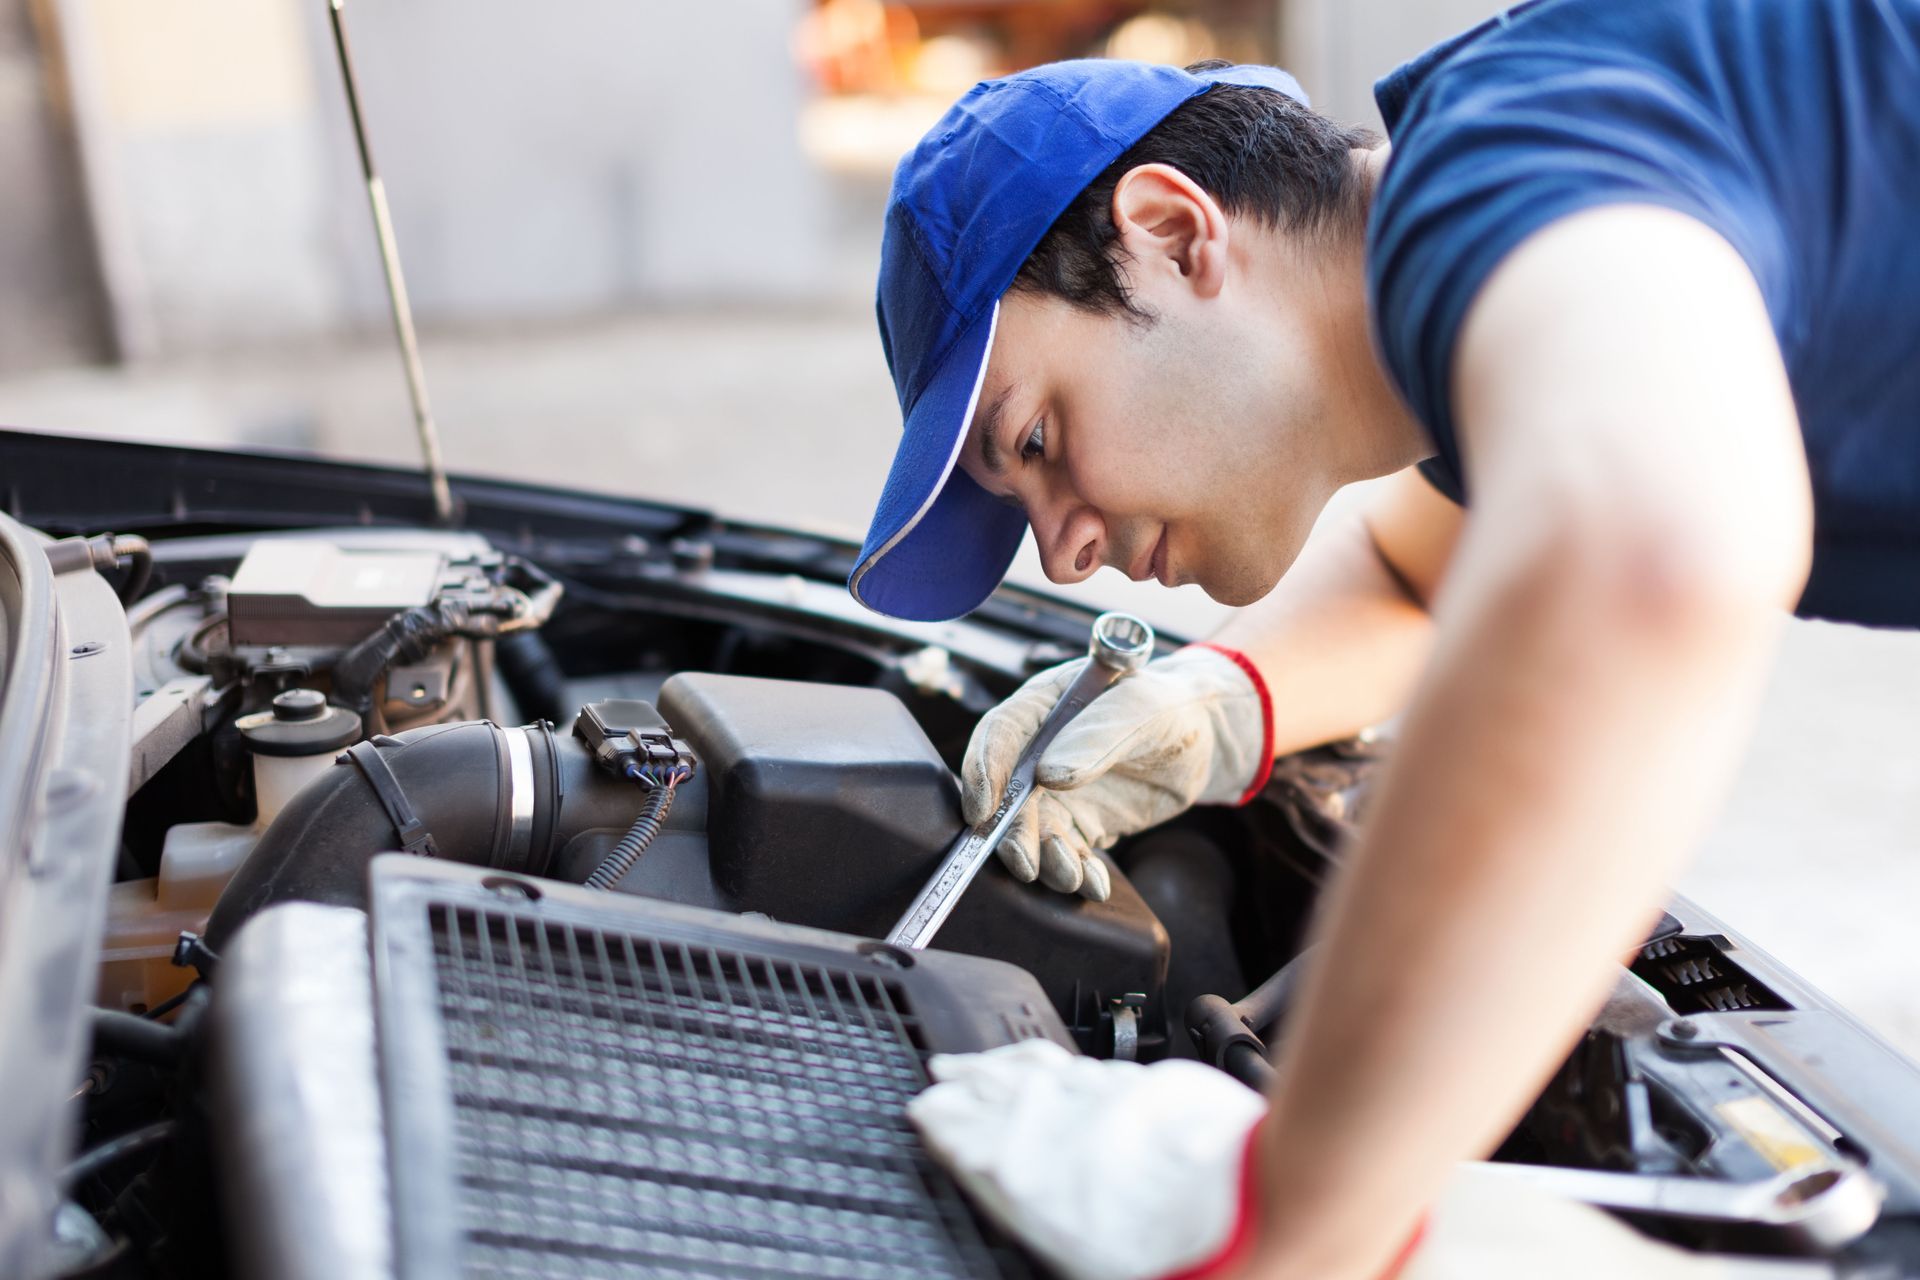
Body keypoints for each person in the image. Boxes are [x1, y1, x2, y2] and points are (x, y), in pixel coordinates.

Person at [845, 1, 1920, 1277]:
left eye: (1034, 442)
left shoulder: (1510, 154)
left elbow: (1648, 555)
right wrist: (1210, 707)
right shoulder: (1498, 296)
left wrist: (1294, 1211)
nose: (1064, 551)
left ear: (1177, 234)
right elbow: (1424, 577)